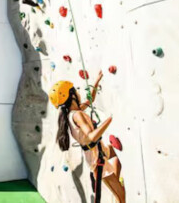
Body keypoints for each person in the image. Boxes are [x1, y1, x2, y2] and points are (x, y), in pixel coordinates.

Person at [50, 71, 126, 203]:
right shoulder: (77, 115)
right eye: (76, 91)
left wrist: (97, 80)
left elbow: (91, 99)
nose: (78, 93)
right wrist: (110, 119)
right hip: (97, 158)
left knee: (115, 158)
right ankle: (115, 185)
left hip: (98, 150)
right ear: (72, 95)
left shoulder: (74, 112)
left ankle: (115, 179)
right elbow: (91, 136)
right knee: (121, 196)